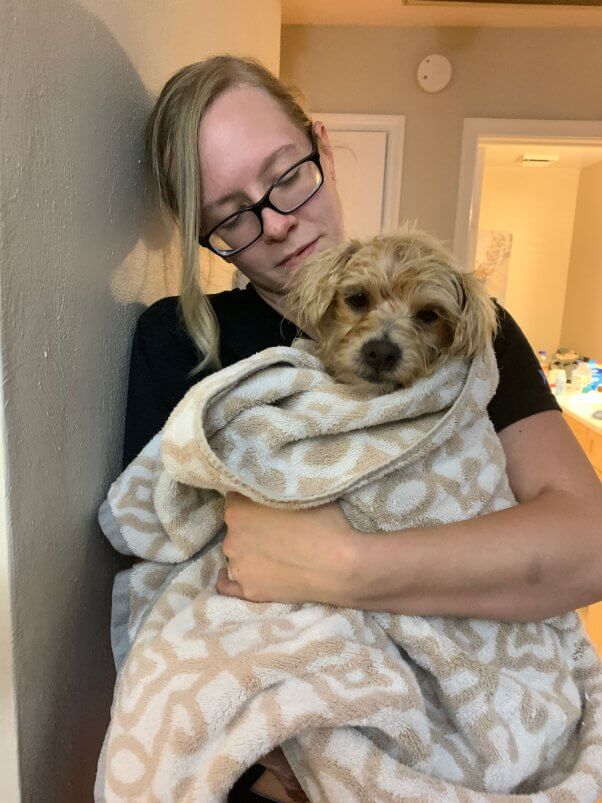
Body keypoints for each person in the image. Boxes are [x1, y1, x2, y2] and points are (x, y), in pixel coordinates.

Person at [123, 54, 601, 799]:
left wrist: (345, 564)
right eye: (232, 216)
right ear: (200, 233)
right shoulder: (184, 342)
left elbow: (587, 543)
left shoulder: (476, 335)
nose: (278, 223)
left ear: (320, 143)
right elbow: (161, 572)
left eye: (286, 175)